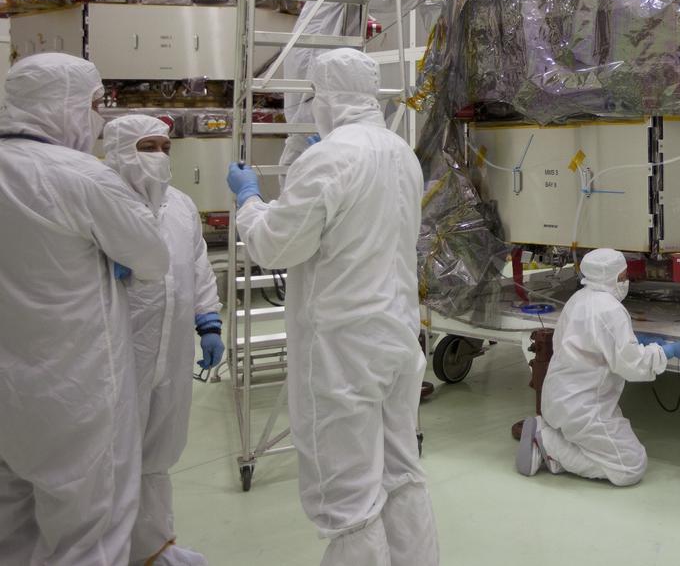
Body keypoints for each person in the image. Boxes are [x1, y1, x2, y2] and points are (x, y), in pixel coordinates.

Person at [227, 48, 436, 566]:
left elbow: (277, 246)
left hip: (343, 349)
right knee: (401, 472)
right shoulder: (400, 152)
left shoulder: (328, 158)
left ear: (324, 98)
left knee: (349, 498)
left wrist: (250, 201)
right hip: (396, 336)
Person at [0, 53, 170, 564]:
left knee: (12, 525)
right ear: (65, 105)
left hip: (10, 389)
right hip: (77, 386)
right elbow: (152, 258)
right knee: (91, 532)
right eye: (95, 105)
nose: (97, 119)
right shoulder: (82, 177)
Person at [103, 115, 223, 566]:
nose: (158, 157)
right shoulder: (102, 204)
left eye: (164, 148)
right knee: (112, 457)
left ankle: (152, 548)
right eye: (146, 147)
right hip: (119, 350)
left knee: (158, 453)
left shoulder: (180, 205)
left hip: (171, 350)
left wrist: (208, 319)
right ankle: (107, 551)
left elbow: (196, 264)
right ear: (118, 150)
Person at [516, 248, 680, 486]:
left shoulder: (578, 299)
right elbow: (632, 366)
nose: (626, 281)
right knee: (630, 467)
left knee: (606, 449)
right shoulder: (610, 309)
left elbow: (594, 342)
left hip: (558, 399)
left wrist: (637, 342)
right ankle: (548, 441)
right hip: (585, 409)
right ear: (610, 276)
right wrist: (664, 352)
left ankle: (552, 439)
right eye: (623, 276)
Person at [278, 0, 447, 169]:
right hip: (315, 62)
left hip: (322, 64)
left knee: (311, 135)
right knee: (305, 131)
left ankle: (294, 185)